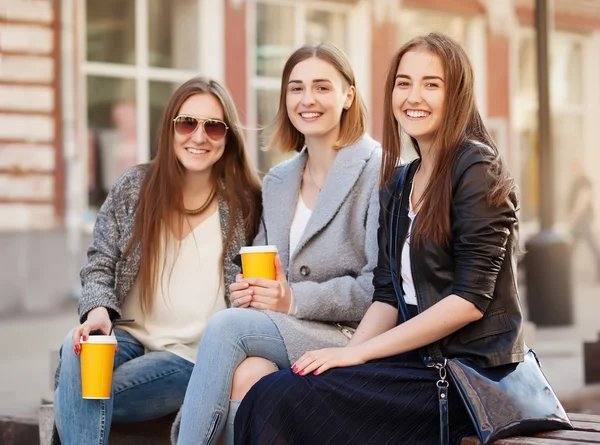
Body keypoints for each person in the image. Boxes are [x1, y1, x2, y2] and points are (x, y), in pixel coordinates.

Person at [234, 32, 523, 445]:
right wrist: (346, 358)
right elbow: (387, 295)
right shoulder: (401, 181)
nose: (413, 96)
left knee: (287, 399)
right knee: (273, 390)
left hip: (470, 377)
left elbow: (469, 302)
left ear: (456, 93)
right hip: (416, 364)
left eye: (431, 84)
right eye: (403, 83)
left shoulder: (477, 168)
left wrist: (358, 353)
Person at [174, 43, 382, 445]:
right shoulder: (278, 182)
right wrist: (250, 290)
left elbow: (379, 287)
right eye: (295, 88)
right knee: (249, 374)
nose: (307, 100)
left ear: (348, 96)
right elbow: (263, 265)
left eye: (322, 87)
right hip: (290, 331)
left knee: (226, 327)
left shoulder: (379, 170)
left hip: (350, 336)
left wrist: (293, 300)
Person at [51, 76, 262, 445]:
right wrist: (97, 309)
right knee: (75, 347)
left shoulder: (247, 203)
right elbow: (100, 261)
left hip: (192, 358)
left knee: (78, 389)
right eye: (187, 123)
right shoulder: (133, 187)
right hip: (128, 337)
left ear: (227, 137)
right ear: (170, 128)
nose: (198, 137)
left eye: (213, 127)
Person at [567, 161, 600, 281]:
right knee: (571, 246)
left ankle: (563, 273)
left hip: (582, 220)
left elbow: (583, 200)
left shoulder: (584, 181)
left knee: (586, 246)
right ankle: (564, 273)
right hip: (580, 220)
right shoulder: (578, 181)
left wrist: (573, 216)